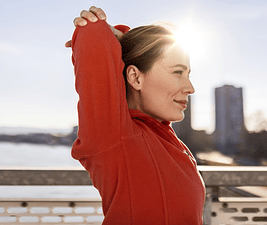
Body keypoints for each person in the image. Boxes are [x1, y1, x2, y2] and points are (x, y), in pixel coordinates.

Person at [67, 6, 205, 225]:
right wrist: (108, 33)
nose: (190, 87)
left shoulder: (165, 138)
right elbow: (93, 35)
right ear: (135, 77)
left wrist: (126, 43)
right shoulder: (116, 136)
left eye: (188, 74)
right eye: (178, 72)